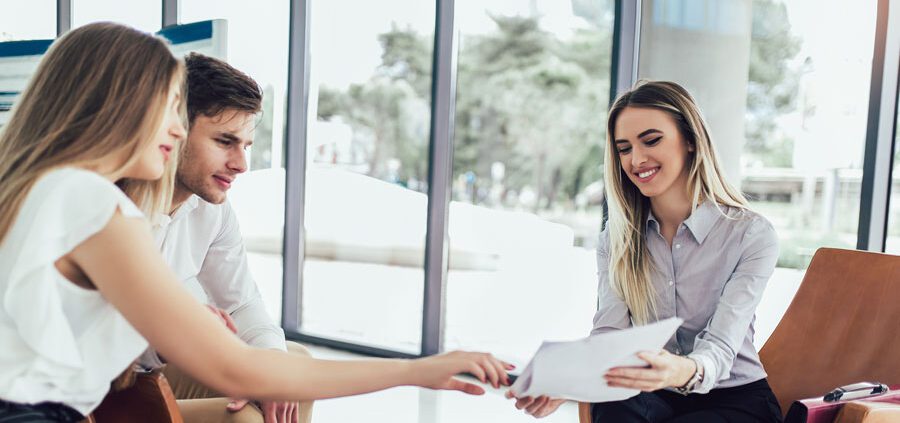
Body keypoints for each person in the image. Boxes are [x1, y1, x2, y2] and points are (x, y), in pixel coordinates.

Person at [0, 22, 511, 422]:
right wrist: (419, 369)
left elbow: (236, 317)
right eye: (169, 109)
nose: (175, 130)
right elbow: (231, 367)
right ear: (117, 106)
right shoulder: (92, 202)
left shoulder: (44, 190)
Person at [507, 80, 782, 422]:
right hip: (652, 392)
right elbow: (610, 333)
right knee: (612, 405)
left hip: (732, 398)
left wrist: (679, 370)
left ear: (691, 142)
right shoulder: (617, 240)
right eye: (624, 148)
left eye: (651, 140)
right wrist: (569, 381)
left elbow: (721, 346)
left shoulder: (751, 234)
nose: (636, 159)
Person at [130, 52, 309, 423]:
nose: (241, 164)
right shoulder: (119, 207)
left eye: (245, 145)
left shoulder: (212, 210)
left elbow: (242, 303)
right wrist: (181, 330)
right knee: (241, 417)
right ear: (173, 130)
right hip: (103, 384)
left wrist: (272, 365)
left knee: (293, 371)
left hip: (148, 365)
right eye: (225, 141)